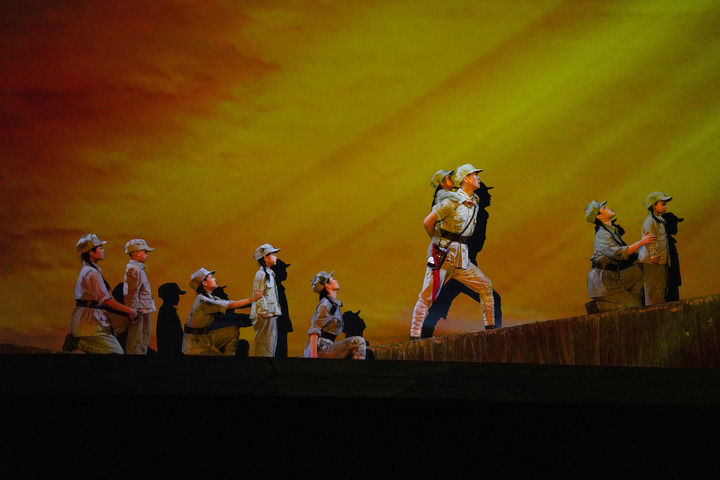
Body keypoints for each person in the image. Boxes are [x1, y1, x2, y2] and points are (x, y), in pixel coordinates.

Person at [410, 164, 495, 340]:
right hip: (441, 254)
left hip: (461, 257)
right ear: (465, 179)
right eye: (475, 175)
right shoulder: (451, 201)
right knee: (427, 295)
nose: (478, 178)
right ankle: (414, 336)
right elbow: (428, 222)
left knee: (485, 286)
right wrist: (436, 241)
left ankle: (491, 328)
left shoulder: (475, 202)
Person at [69, 233, 137, 354]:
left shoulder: (90, 270)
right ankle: (82, 344)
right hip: (89, 325)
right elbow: (106, 301)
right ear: (91, 252)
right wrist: (130, 311)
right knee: (116, 352)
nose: (103, 250)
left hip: (90, 322)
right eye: (100, 248)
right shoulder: (91, 273)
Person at [586, 200, 655, 312]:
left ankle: (631, 302)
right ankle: (599, 306)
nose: (608, 208)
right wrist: (642, 242)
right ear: (599, 216)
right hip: (602, 281)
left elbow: (626, 253)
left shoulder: (611, 231)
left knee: (638, 272)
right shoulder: (602, 235)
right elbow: (618, 253)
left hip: (612, 276)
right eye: (604, 208)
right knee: (634, 307)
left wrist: (644, 254)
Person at [182, 268, 262, 356]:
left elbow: (233, 305)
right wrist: (254, 299)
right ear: (204, 283)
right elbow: (232, 305)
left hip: (203, 340)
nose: (215, 279)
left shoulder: (211, 299)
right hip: (195, 347)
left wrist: (256, 303)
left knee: (232, 331)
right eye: (211, 277)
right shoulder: (203, 301)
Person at [303, 271, 366, 360]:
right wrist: (314, 360)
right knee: (358, 342)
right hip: (320, 349)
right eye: (332, 279)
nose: (335, 280)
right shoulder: (325, 305)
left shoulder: (333, 305)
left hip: (327, 346)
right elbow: (314, 332)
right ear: (327, 285)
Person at [638, 192, 672, 306]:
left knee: (661, 289)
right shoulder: (650, 221)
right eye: (662, 204)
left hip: (660, 260)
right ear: (653, 206)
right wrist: (654, 255)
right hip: (653, 262)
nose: (665, 206)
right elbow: (650, 239)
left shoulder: (659, 220)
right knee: (653, 290)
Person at [123, 239, 156, 354]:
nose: (147, 254)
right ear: (136, 253)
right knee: (137, 342)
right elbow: (132, 292)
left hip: (143, 310)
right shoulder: (134, 269)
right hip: (139, 311)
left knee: (142, 340)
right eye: (145, 252)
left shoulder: (138, 268)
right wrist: (132, 310)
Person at [250, 244, 282, 357]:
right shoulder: (261, 274)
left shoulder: (269, 273)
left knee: (270, 343)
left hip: (270, 313)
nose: (276, 257)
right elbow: (258, 294)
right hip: (264, 314)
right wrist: (262, 311)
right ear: (265, 257)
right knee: (263, 344)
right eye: (273, 254)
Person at [271, 258, 293, 359]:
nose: (285, 272)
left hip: (280, 324)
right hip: (278, 325)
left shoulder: (277, 287)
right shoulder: (274, 288)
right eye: (283, 270)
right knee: (279, 353)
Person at [156, 282, 186, 355]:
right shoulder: (168, 312)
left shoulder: (166, 310)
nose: (178, 297)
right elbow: (173, 337)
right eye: (176, 295)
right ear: (171, 296)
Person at [662, 211, 684, 302]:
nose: (676, 227)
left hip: (671, 281)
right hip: (669, 282)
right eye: (674, 223)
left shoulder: (666, 240)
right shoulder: (665, 242)